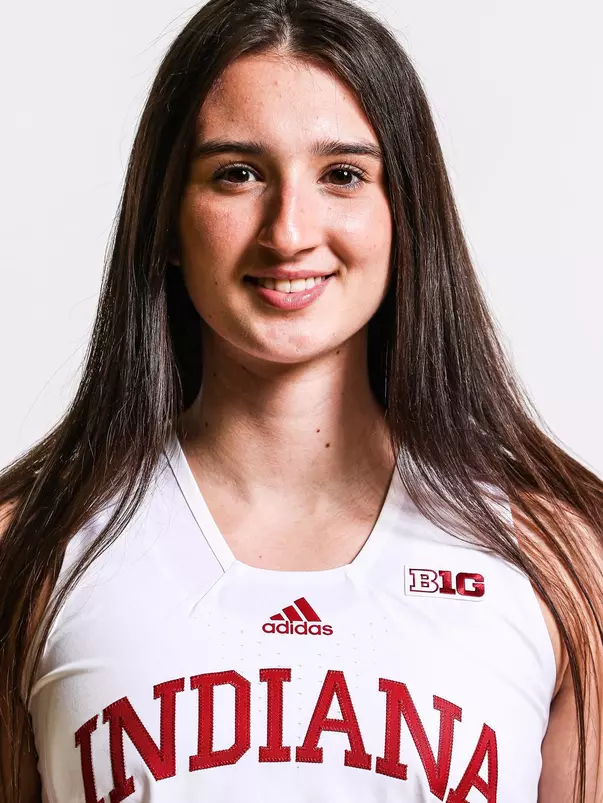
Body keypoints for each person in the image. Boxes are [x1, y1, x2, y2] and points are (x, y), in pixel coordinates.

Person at [1, 0, 602, 800]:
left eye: (343, 175)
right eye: (237, 173)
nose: (289, 230)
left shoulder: (558, 557)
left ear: (404, 216)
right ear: (168, 221)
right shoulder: (31, 544)